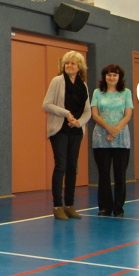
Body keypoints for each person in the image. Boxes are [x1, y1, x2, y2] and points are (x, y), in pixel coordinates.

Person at [42, 50, 91, 221]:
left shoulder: (83, 85)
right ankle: (57, 206)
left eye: (72, 63)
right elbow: (46, 104)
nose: (69, 66)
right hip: (59, 130)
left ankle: (69, 205)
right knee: (61, 166)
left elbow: (87, 111)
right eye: (67, 63)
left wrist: (79, 122)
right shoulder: (57, 81)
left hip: (75, 131)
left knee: (72, 167)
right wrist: (66, 113)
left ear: (79, 67)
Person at [91, 64, 133, 217]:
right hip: (101, 139)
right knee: (104, 175)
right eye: (108, 75)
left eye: (115, 75)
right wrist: (109, 128)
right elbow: (95, 115)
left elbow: (128, 115)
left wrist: (115, 131)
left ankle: (118, 208)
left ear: (119, 77)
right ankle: (104, 207)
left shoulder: (126, 93)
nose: (111, 77)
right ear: (104, 77)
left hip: (121, 139)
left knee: (120, 175)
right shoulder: (97, 92)